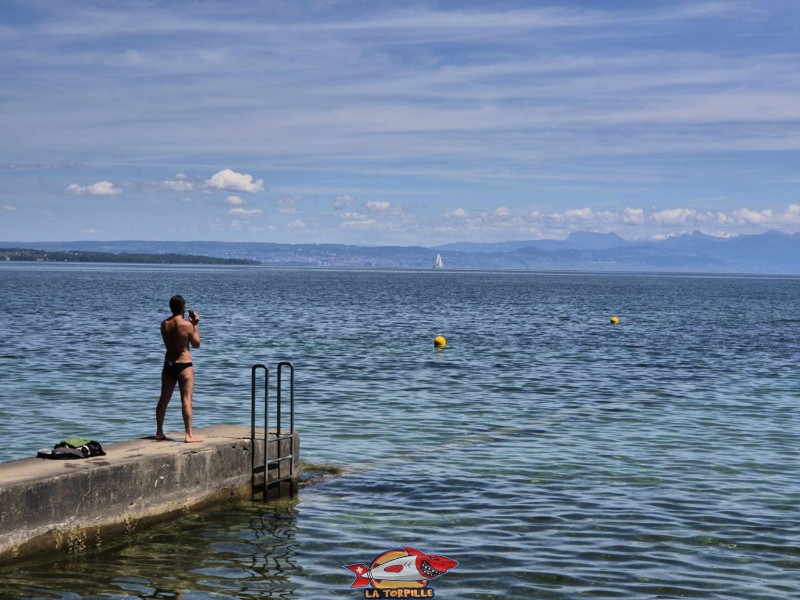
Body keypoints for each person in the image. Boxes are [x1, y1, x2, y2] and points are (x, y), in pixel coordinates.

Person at [155, 294, 203, 442]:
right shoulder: (187, 325)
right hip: (184, 365)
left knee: (164, 398)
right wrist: (195, 325)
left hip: (168, 364)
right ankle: (189, 435)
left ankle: (159, 431)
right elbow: (196, 344)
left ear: (170, 308)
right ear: (183, 308)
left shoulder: (164, 324)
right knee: (186, 400)